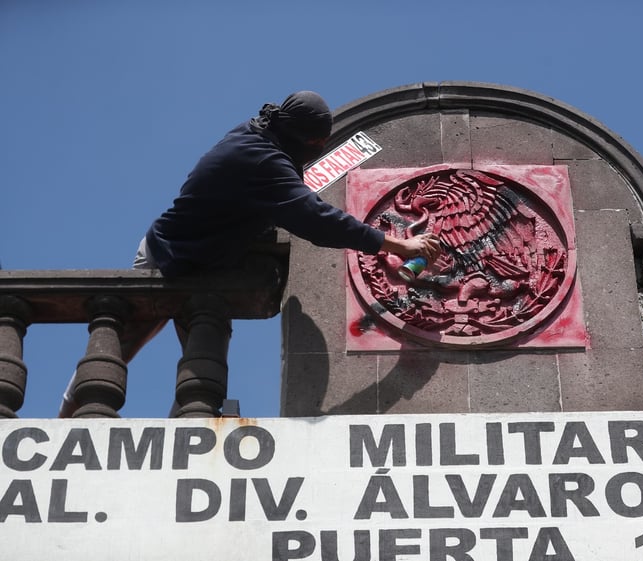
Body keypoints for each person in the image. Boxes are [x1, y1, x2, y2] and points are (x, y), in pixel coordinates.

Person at [59, 91, 440, 417]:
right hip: (170, 260)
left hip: (204, 259)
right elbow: (319, 220)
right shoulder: (262, 161)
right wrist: (397, 244)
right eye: (317, 144)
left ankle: (188, 428)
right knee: (119, 348)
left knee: (202, 365)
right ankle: (63, 422)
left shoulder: (258, 132)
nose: (319, 151)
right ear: (306, 139)